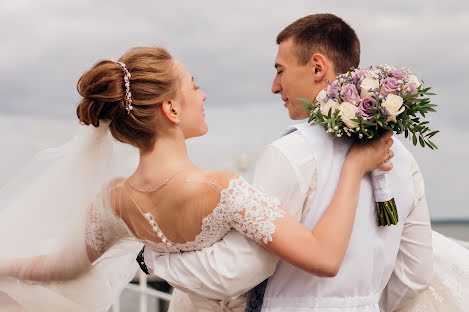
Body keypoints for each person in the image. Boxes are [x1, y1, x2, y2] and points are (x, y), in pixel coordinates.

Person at [0, 46, 393, 312]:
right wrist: (355, 167)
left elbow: (60, 268)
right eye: (194, 85)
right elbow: (324, 259)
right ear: (171, 108)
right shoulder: (221, 189)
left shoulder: (115, 200)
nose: (203, 96)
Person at [139, 14, 440, 312]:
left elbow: (240, 270)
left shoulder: (291, 152)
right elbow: (415, 275)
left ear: (318, 67)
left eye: (280, 70)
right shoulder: (401, 157)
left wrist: (153, 260)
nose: (274, 85)